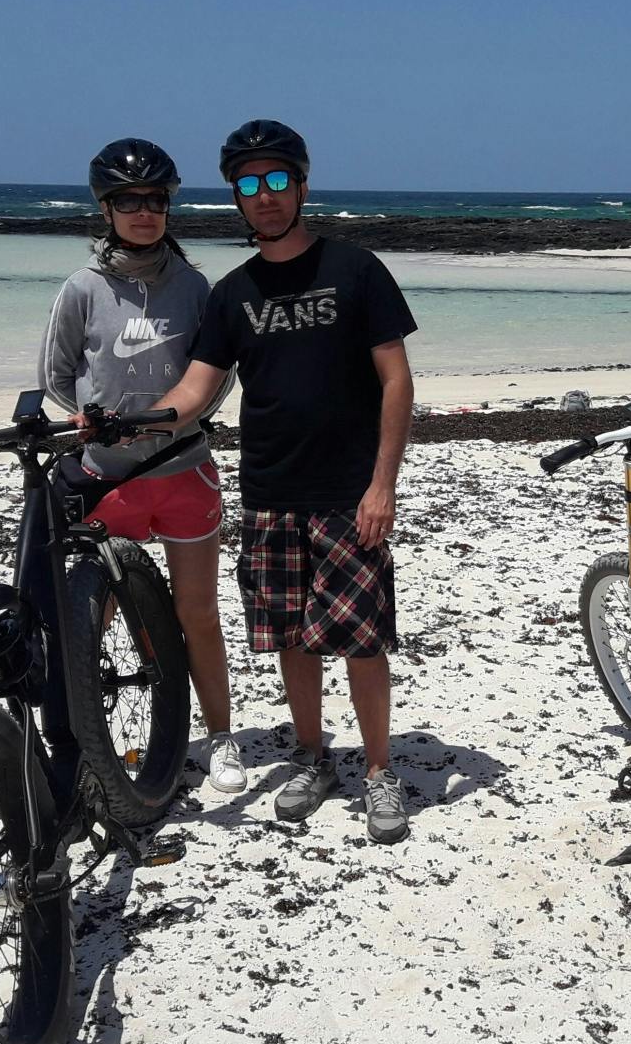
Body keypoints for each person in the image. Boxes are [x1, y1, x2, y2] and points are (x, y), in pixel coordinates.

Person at [147, 120, 418, 844]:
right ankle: (312, 757)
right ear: (236, 196)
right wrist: (132, 421)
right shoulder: (232, 294)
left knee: (361, 641)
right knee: (296, 638)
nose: (263, 197)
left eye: (275, 181)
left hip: (348, 493)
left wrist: (382, 485)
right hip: (270, 493)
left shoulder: (357, 269)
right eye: (248, 184)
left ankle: (381, 772)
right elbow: (198, 388)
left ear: (300, 185)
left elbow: (396, 381)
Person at [39, 138, 243, 795]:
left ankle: (219, 738)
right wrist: (91, 413)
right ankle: (83, 741)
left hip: (183, 472)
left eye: (154, 199)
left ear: (169, 205)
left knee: (199, 614)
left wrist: (176, 417)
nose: (143, 211)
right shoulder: (83, 288)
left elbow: (218, 375)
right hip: (108, 478)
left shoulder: (194, 287)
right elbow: (56, 373)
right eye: (128, 200)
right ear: (106, 207)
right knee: (90, 618)